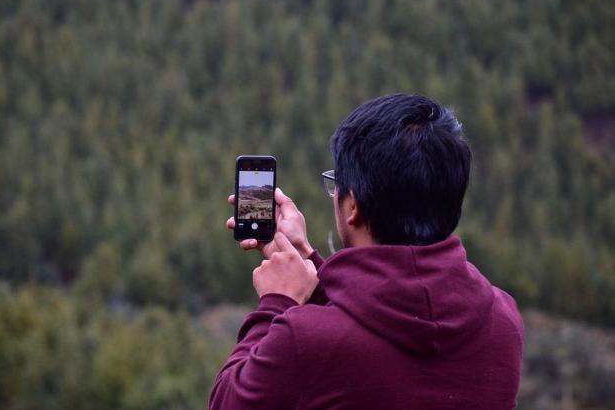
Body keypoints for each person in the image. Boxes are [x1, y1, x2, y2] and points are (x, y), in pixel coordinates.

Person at [209, 94, 524, 410]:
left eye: (335, 184)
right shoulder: (503, 321)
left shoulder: (304, 342)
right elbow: (375, 321)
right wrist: (308, 262)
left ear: (353, 206)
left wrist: (276, 303)